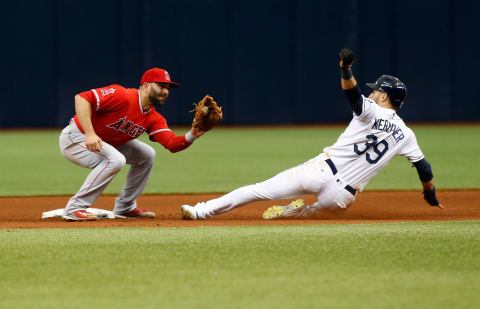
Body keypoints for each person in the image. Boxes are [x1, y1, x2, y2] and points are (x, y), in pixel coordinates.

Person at [181, 48, 443, 220]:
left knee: (259, 190)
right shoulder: (406, 134)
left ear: (384, 95)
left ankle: (201, 211)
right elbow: (425, 169)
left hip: (321, 171)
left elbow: (353, 96)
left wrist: (345, 70)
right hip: (342, 197)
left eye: (376, 90)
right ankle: (299, 211)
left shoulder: (372, 109)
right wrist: (429, 196)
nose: (372, 92)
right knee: (314, 214)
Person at [59, 68, 208, 221]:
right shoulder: (122, 95)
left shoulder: (153, 117)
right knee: (116, 159)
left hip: (107, 143)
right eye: (161, 86)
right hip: (77, 137)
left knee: (147, 154)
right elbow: (82, 98)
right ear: (146, 86)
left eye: (168, 88)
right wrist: (90, 133)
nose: (166, 92)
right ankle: (75, 208)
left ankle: (125, 207)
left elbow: (171, 144)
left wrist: (192, 135)